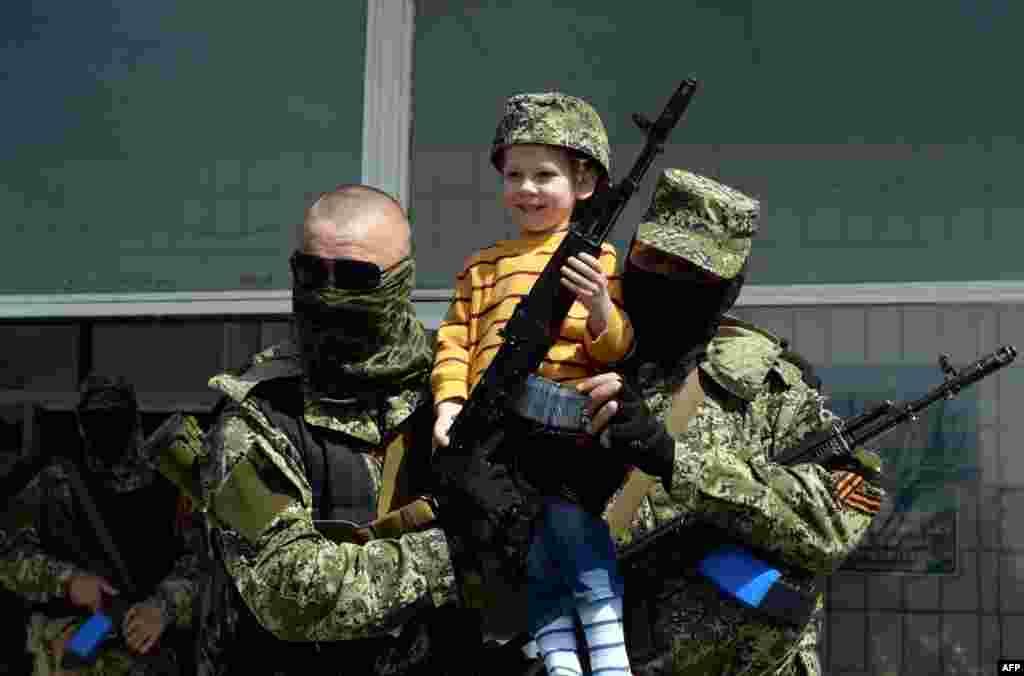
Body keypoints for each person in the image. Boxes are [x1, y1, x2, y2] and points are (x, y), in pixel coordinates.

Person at [197, 184, 523, 675]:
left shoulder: (459, 391)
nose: (328, 293)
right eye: (310, 272)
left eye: (353, 276)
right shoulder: (258, 414)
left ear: (401, 279)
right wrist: (454, 550)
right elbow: (288, 589)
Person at [574, 169, 886, 675]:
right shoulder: (577, 362)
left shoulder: (768, 391)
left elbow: (835, 521)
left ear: (727, 288)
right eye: (653, 260)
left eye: (690, 271)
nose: (665, 280)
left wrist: (679, 462)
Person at [432, 92, 636, 676]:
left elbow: (615, 349)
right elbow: (454, 339)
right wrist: (449, 402)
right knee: (526, 545)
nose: (527, 189)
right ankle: (560, 658)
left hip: (565, 426)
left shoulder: (598, 257)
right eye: (514, 175)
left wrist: (599, 304)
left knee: (575, 527)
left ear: (585, 183)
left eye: (545, 175)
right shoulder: (484, 266)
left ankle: (609, 652)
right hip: (497, 433)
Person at [0, 375, 201, 675]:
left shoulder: (170, 485)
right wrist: (69, 581)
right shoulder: (56, 484)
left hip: (149, 651)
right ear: (81, 426)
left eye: (115, 417)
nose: (107, 429)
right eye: (96, 419)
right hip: (79, 643)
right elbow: (9, 557)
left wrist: (163, 606)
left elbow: (204, 562)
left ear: (134, 420)